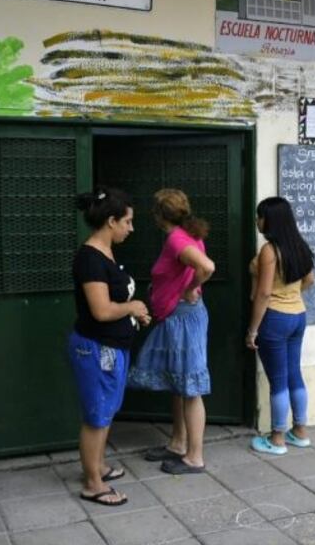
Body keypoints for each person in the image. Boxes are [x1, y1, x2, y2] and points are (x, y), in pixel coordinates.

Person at [69, 186, 151, 506]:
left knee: (106, 410)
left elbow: (116, 299)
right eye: (128, 222)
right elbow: (101, 310)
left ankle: (98, 466)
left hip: (113, 347)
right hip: (96, 348)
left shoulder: (106, 253)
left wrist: (135, 311)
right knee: (97, 415)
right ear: (112, 221)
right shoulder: (90, 259)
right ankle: (92, 484)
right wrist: (131, 308)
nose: (131, 229)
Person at [129, 189, 216, 474]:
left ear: (158, 215)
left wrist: (190, 289)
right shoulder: (186, 234)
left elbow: (206, 267)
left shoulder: (178, 239)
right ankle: (178, 443)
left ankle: (195, 457)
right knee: (180, 383)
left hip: (183, 318)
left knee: (190, 388)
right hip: (177, 316)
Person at [246, 196, 315, 455]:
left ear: (270, 220)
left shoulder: (269, 250)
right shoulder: (298, 245)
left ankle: (276, 439)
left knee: (278, 381)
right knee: (293, 374)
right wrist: (291, 292)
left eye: (260, 216)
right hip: (298, 316)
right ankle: (300, 432)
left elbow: (263, 294)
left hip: (274, 318)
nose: (257, 220)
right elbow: (310, 280)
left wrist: (252, 330)